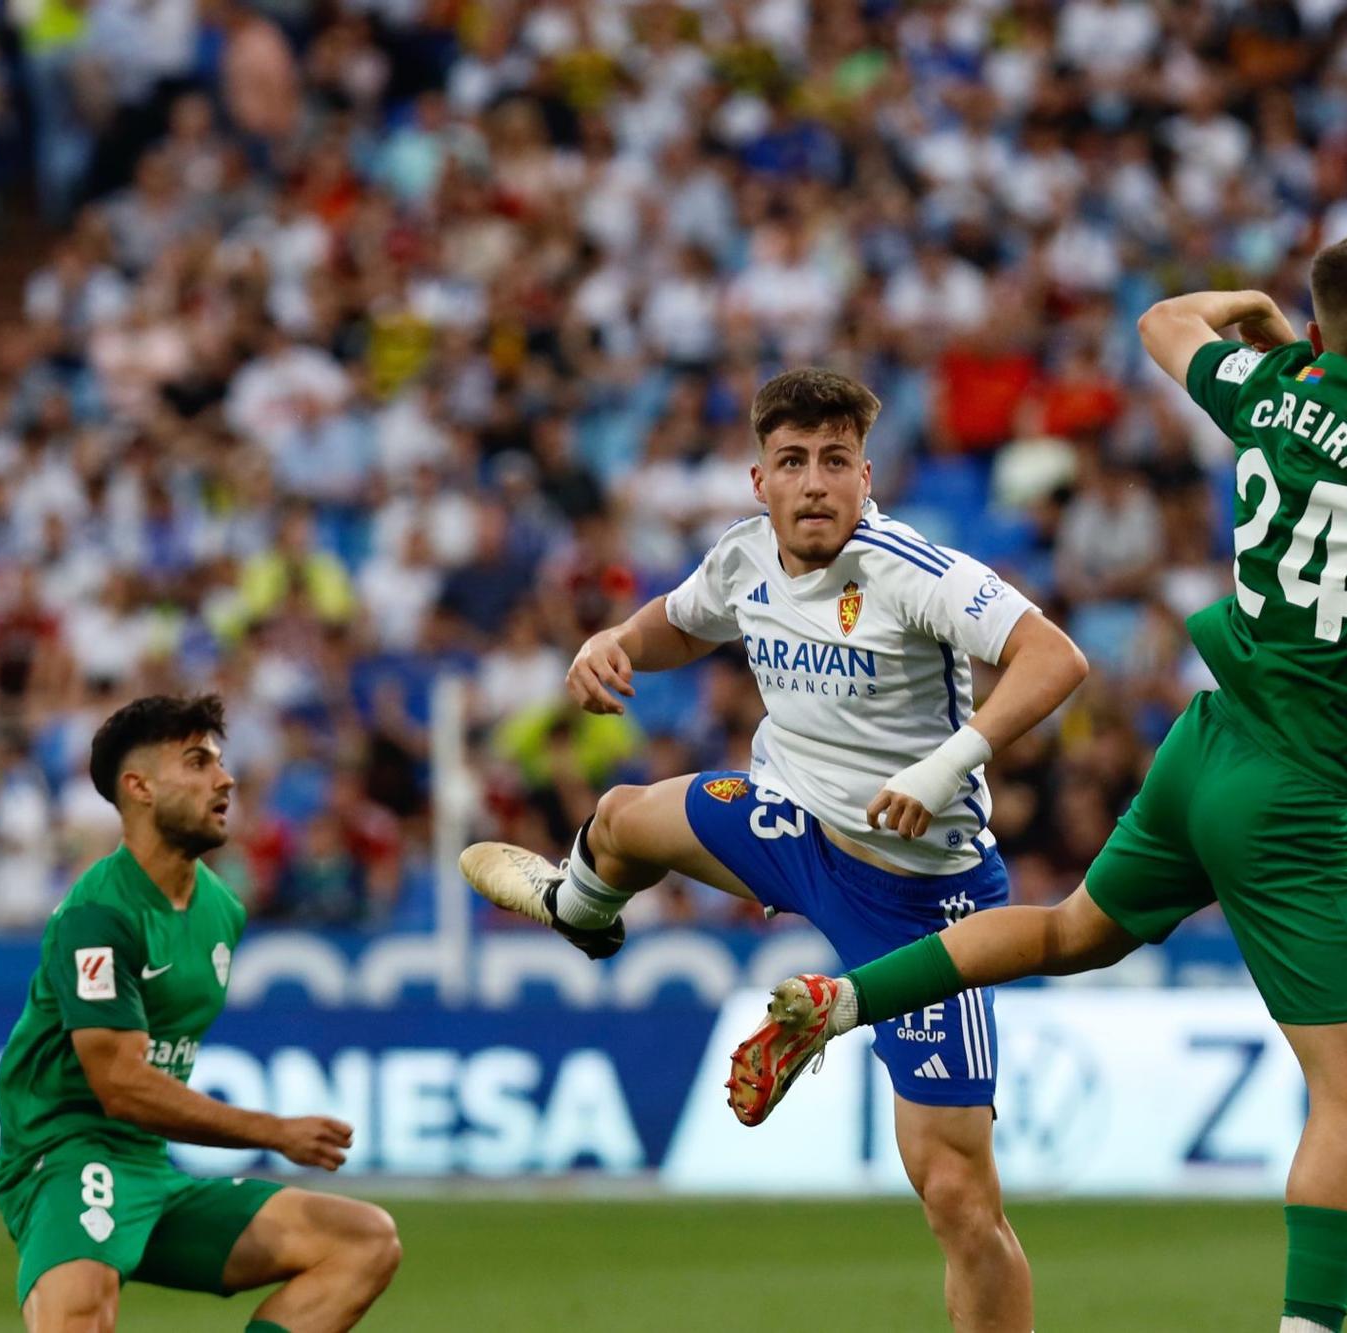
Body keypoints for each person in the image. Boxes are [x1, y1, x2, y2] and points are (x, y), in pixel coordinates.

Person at [729, 234, 1347, 1333]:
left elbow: (1161, 323)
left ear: (1320, 333)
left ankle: (841, 999)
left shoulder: (1270, 385)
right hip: (1290, 791)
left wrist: (1266, 318)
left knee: (1061, 933)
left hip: (1203, 742)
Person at [459, 368, 1089, 1333]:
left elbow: (1056, 656)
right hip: (792, 825)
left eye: (835, 460)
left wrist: (944, 767)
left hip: (920, 895)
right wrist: (611, 641)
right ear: (760, 481)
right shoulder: (744, 555)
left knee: (957, 1196)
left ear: (864, 476)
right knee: (624, 817)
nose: (814, 482)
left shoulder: (911, 568)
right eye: (791, 461)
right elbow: (678, 621)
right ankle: (578, 910)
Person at [0, 694, 402, 1332]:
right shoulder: (97, 915)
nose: (226, 778)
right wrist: (273, 1132)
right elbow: (120, 1085)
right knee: (80, 1312)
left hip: (149, 1167)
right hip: (66, 1150)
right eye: (198, 762)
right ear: (140, 787)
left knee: (363, 1241)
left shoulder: (221, 910)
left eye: (220, 761)